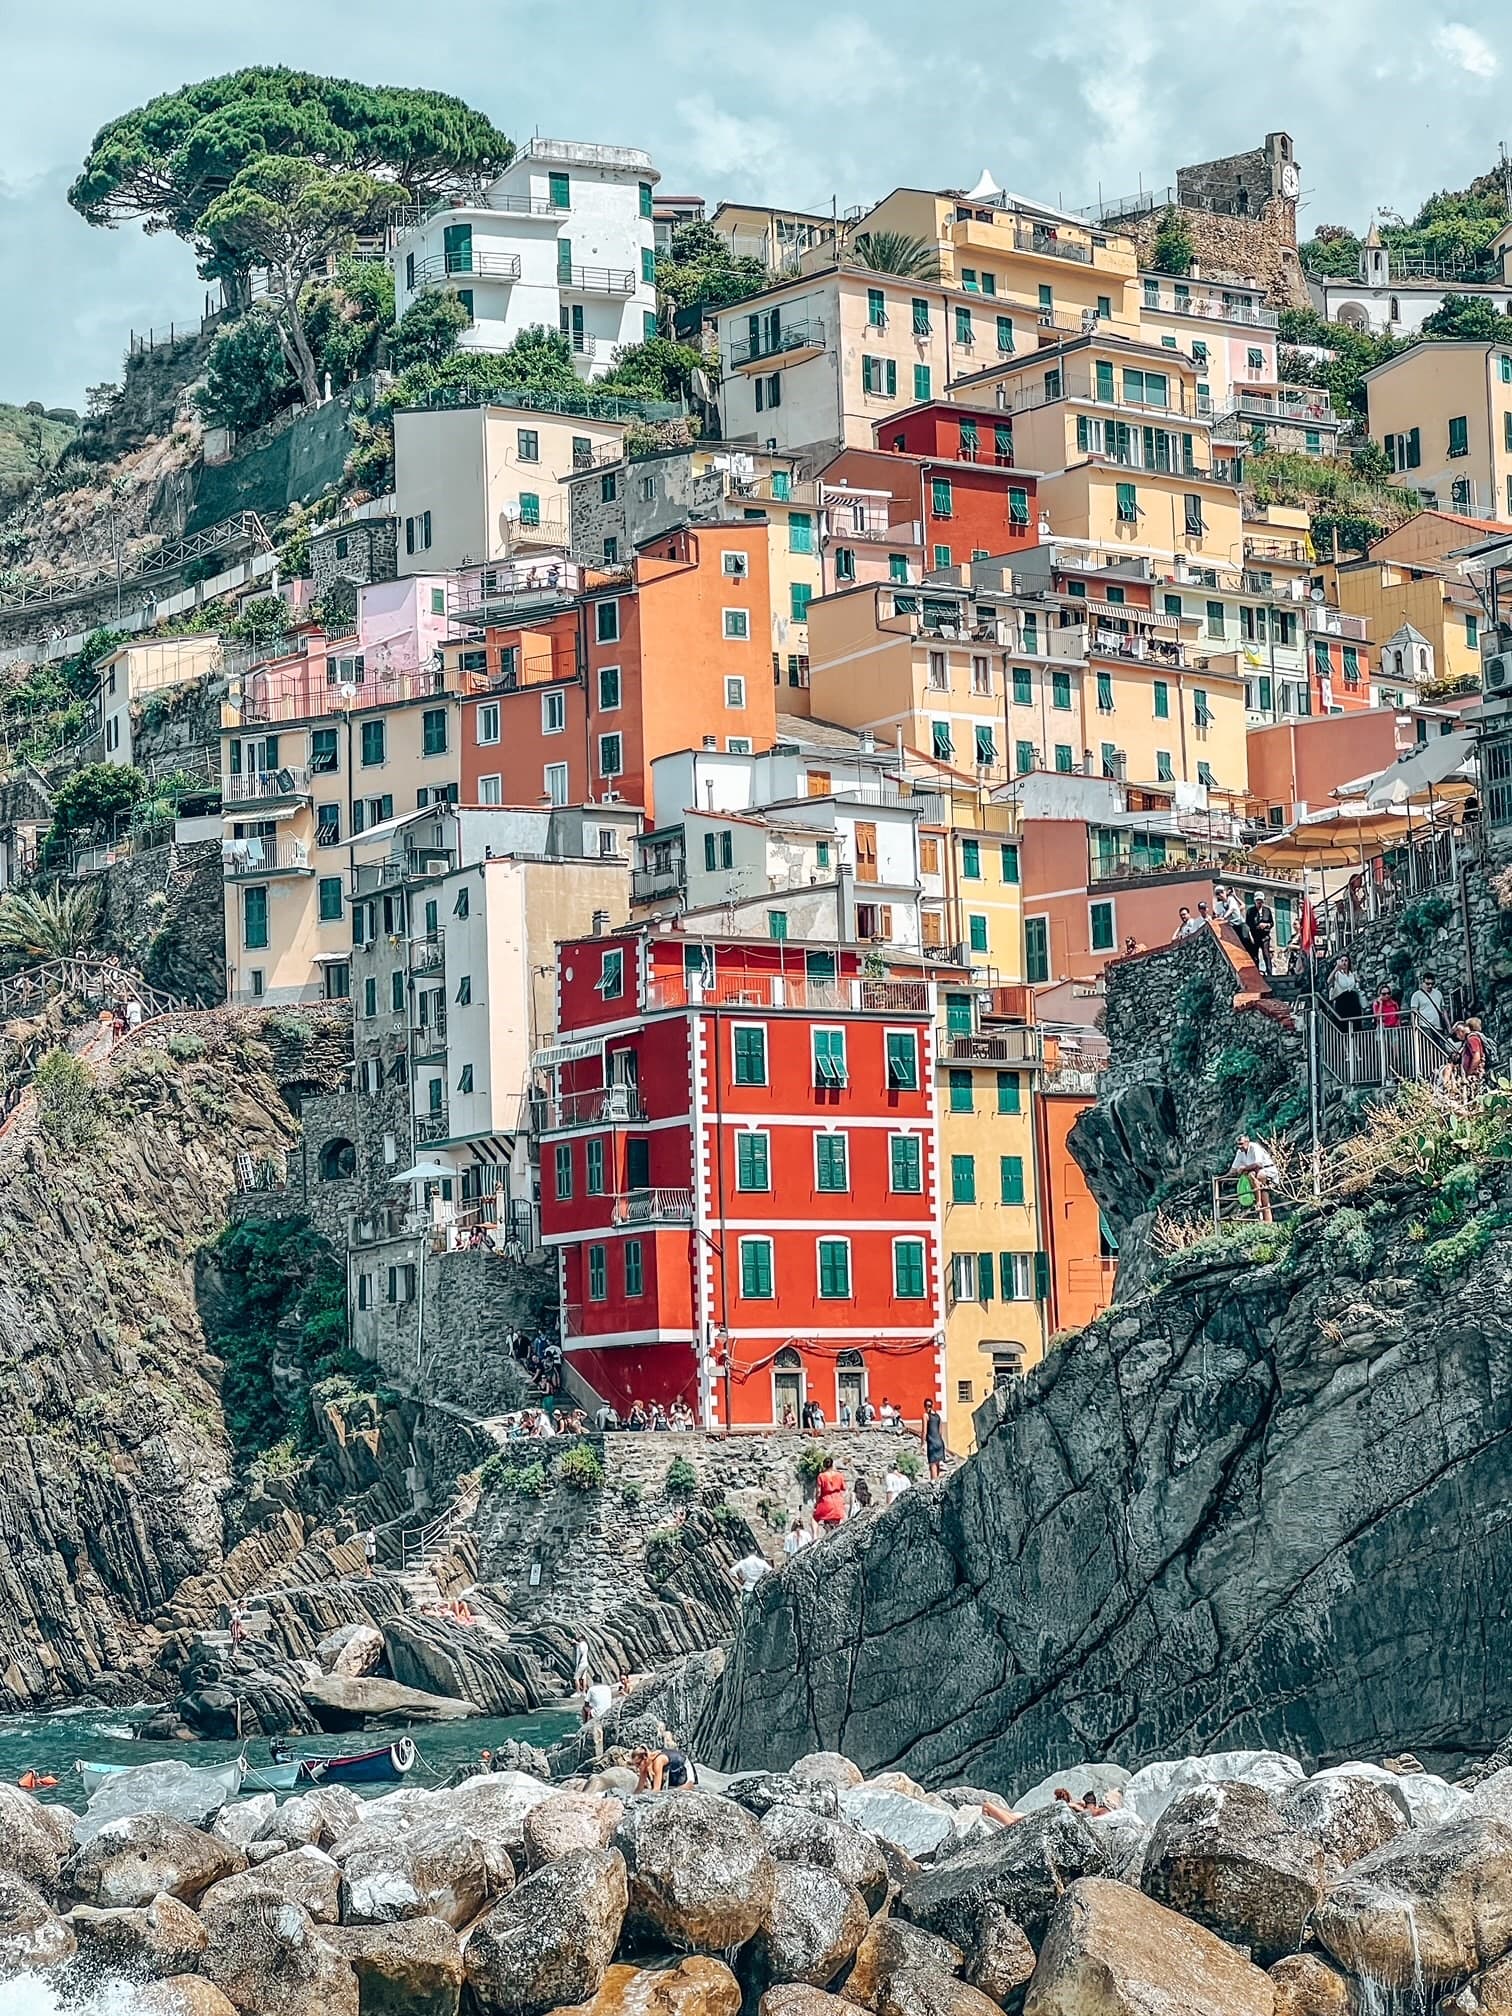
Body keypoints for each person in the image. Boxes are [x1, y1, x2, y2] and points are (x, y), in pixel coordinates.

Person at [1228, 1133, 1281, 1224]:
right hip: (1255, 1175)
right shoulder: (1240, 1152)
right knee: (1263, 1194)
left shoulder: (1254, 1147)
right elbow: (1233, 1168)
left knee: (1253, 1175)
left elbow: (1259, 1164)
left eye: (1241, 1144)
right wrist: (1227, 1176)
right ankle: (1267, 1220)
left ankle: (1258, 1201)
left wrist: (1244, 1168)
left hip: (1267, 1170)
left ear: (1247, 1142)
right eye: (1238, 1145)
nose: (1239, 1147)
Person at [632, 1744, 698, 1791]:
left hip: (683, 1767)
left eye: (638, 1764)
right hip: (672, 1773)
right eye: (636, 1765)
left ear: (645, 1758)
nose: (637, 1767)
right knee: (668, 1792)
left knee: (677, 1792)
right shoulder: (644, 1766)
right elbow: (640, 1788)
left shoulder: (658, 1761)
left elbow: (656, 1789)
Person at [1329, 954, 1365, 1027]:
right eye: (1342, 961)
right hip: (1342, 999)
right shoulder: (1338, 974)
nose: (1344, 963)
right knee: (1343, 1023)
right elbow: (1329, 980)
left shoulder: (1352, 974)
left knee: (1356, 1021)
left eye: (1346, 960)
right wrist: (1336, 968)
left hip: (1352, 998)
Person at [1410, 970, 1448, 1038]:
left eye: (1432, 984)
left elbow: (1443, 1011)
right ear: (1423, 983)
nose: (1430, 986)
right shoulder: (1417, 995)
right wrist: (1414, 1027)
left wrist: (1448, 1026)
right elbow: (1413, 1012)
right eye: (1427, 984)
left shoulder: (1438, 993)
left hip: (1438, 1026)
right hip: (1425, 1025)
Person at [813, 1459, 847, 1530]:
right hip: (837, 1501)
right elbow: (844, 1488)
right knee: (836, 1522)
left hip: (826, 1500)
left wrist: (817, 1503)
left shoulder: (821, 1476)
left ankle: (815, 1536)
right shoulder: (839, 1475)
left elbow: (819, 1492)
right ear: (832, 1464)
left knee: (815, 1518)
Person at [1246, 896, 1275, 977]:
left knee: (1266, 954)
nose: (1259, 904)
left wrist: (1266, 925)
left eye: (1261, 902)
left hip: (1265, 936)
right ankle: (1256, 973)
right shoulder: (1250, 911)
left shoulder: (1267, 910)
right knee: (1255, 956)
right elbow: (1248, 925)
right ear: (1255, 901)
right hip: (1255, 937)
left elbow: (1272, 923)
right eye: (1258, 902)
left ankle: (1269, 973)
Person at [922, 1398, 948, 1482]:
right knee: (938, 1463)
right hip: (940, 1442)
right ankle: (938, 1482)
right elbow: (940, 1432)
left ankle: (934, 1482)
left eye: (927, 1406)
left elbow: (924, 1431)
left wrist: (922, 1443)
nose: (927, 1407)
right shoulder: (938, 1416)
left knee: (932, 1463)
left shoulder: (925, 1415)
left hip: (932, 1442)